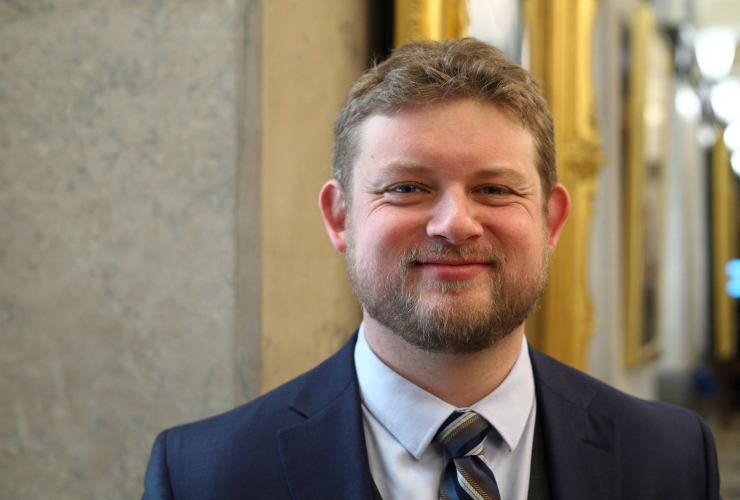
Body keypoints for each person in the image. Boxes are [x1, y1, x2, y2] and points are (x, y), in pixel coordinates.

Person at [141, 38, 721, 500]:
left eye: (494, 188)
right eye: (407, 188)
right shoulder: (203, 477)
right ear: (340, 218)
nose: (454, 224)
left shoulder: (671, 459)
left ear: (550, 220)